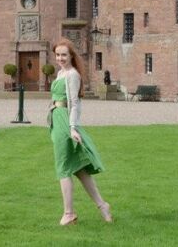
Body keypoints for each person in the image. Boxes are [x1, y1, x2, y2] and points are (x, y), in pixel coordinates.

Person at [48, 38, 112, 226]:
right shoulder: (61, 73)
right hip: (57, 120)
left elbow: (75, 103)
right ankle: (102, 206)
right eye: (58, 54)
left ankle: (69, 213)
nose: (60, 58)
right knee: (79, 170)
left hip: (65, 123)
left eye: (64, 55)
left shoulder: (72, 75)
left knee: (63, 168)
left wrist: (73, 128)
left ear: (71, 56)